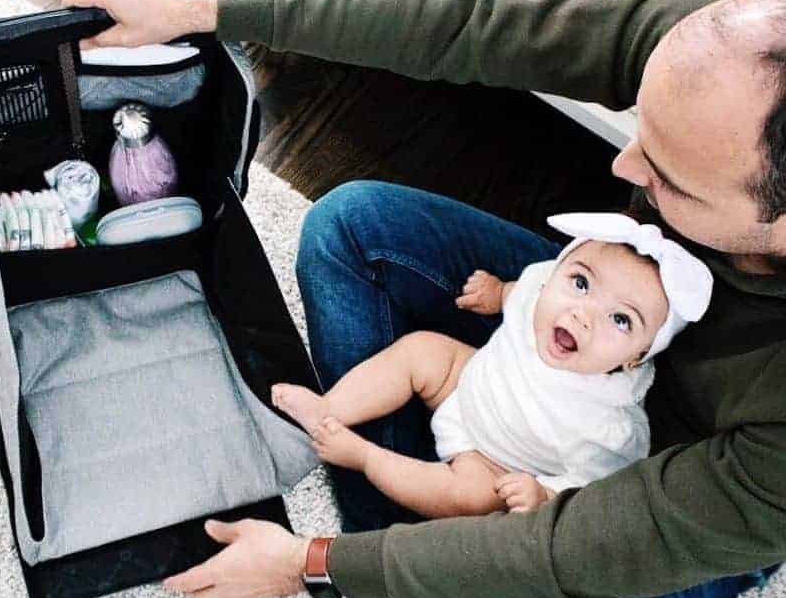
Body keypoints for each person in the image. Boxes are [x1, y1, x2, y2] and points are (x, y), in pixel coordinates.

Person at [62, 0, 786, 598]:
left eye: (668, 176)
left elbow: (559, 554)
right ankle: (412, 556)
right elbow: (472, 22)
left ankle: (403, 569)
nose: (624, 165)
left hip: (689, 483)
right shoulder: (732, 56)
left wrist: (310, 565)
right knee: (351, 227)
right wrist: (203, 2)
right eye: (642, 130)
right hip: (604, 313)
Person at [272, 212, 712, 521]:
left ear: (637, 356)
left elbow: (593, 491)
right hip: (469, 382)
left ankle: (366, 458)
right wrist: (499, 292)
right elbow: (527, 290)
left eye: (621, 320)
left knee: (471, 499)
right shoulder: (543, 287)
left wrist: (544, 495)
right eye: (580, 283)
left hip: (493, 462)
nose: (584, 314)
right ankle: (329, 409)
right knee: (422, 351)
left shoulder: (609, 426)